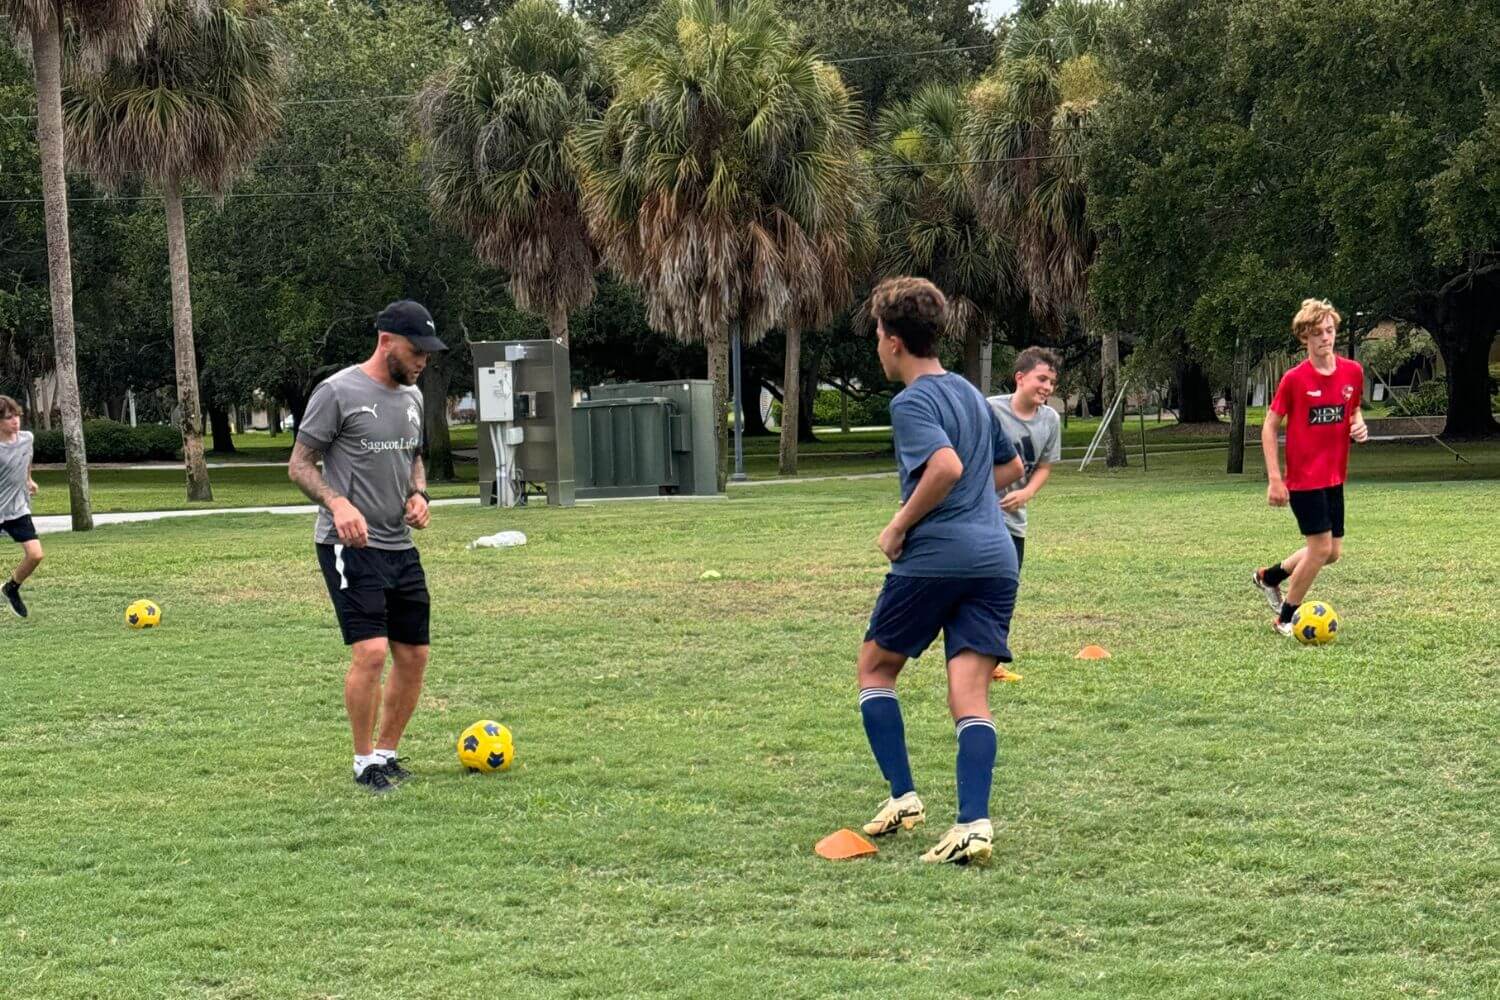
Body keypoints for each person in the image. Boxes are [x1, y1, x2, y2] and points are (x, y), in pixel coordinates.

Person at [856, 276, 1025, 865]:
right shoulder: (970, 395)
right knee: (969, 695)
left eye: (877, 334)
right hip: (996, 560)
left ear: (894, 340)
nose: (877, 345)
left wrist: (900, 525)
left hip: (935, 558)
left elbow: (947, 466)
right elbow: (1012, 465)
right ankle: (973, 824)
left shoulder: (912, 402)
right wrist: (973, 504)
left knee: (876, 668)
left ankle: (904, 796)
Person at [288, 300, 447, 793]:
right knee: (372, 651)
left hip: (399, 546)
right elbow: (300, 465)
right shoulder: (337, 391)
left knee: (414, 654)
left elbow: (413, 458)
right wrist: (338, 504)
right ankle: (363, 764)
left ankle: (387, 752)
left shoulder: (414, 398)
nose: (422, 361)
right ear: (386, 341)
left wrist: (418, 494)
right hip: (348, 544)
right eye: (415, 350)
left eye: (428, 353)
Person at [1252, 298, 1367, 635]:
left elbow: (1353, 409)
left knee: (1332, 553)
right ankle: (1286, 618)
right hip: (1304, 480)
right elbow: (1269, 427)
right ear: (1304, 338)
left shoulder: (1353, 372)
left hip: (1334, 476)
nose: (1325, 338)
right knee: (1319, 549)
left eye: (1329, 331)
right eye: (1317, 333)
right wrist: (1275, 479)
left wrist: (1358, 425)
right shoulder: (1294, 380)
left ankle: (1269, 577)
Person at [987, 346, 1063, 574]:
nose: (1048, 387)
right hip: (978, 518)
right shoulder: (990, 409)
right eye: (1042, 379)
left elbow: (1044, 466)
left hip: (1013, 523)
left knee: (1005, 591)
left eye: (1051, 382)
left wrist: (1026, 493)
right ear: (1020, 377)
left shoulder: (1050, 420)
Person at [0, 395, 42, 619]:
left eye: (17, 415)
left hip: (17, 508)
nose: (15, 421)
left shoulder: (27, 438)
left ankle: (11, 587)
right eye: (9, 418)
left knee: (35, 555)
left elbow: (26, 459)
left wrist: (28, 480)